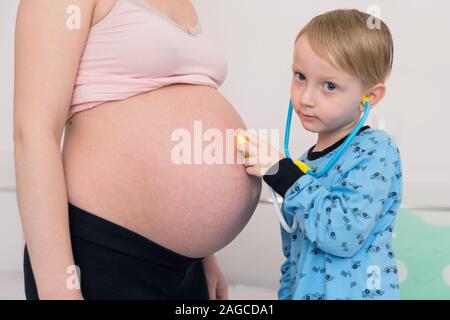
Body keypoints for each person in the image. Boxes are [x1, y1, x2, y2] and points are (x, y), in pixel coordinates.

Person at [14, 0, 261, 300]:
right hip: (103, 249)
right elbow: (33, 133)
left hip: (183, 266)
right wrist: (58, 290)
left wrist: (203, 254)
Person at [237, 9, 403, 300]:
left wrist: (282, 173)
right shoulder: (302, 166)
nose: (305, 98)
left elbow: (342, 234)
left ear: (370, 97)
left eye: (329, 86)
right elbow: (294, 258)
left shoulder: (377, 150)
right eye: (300, 76)